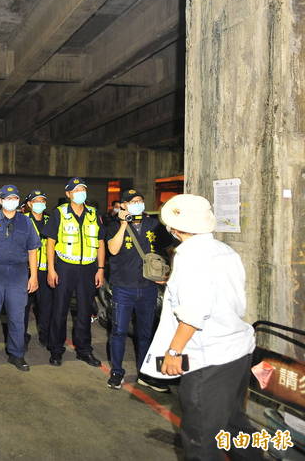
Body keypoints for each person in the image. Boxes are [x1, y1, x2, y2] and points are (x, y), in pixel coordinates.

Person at [141, 194, 259, 461]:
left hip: (208, 359)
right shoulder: (224, 250)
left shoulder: (190, 257)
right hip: (236, 352)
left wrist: (174, 352)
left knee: (201, 439)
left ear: (175, 228)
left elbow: (194, 314)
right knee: (233, 425)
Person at [105, 189, 170, 391]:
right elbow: (113, 249)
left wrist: (166, 273)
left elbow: (168, 248)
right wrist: (124, 223)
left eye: (140, 200)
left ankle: (145, 372)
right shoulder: (113, 225)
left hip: (148, 288)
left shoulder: (153, 224)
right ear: (123, 205)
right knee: (119, 331)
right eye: (133, 201)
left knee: (145, 333)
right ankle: (117, 372)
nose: (137, 204)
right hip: (123, 288)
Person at [0, 185, 39, 372]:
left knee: (17, 317)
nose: (12, 201)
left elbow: (32, 250)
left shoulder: (26, 222)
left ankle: (17, 354)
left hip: (18, 274)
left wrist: (33, 276)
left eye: (15, 198)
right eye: (8, 198)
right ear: (0, 201)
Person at [45, 177, 106, 367]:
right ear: (68, 194)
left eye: (83, 189)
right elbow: (50, 242)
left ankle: (84, 350)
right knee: (60, 309)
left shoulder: (93, 214)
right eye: (76, 190)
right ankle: (56, 350)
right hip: (65, 266)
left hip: (88, 268)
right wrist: (51, 269)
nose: (81, 193)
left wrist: (101, 269)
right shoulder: (59, 213)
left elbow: (100, 242)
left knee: (85, 311)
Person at [24, 189, 52, 348]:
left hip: (46, 270)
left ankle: (45, 335)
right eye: (36, 201)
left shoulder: (51, 220)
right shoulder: (22, 219)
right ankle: (21, 336)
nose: (39, 204)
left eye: (42, 201)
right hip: (26, 270)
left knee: (46, 306)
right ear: (29, 204)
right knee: (23, 306)